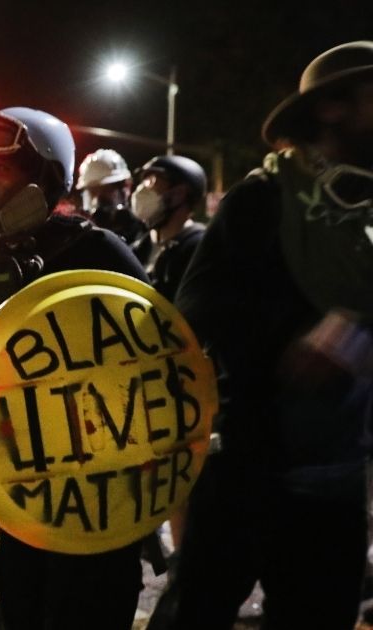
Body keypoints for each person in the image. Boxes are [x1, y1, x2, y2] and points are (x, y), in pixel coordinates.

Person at [151, 41, 373, 630]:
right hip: (248, 469)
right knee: (194, 612)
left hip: (339, 481)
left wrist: (356, 328)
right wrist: (297, 340)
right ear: (334, 108)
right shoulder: (260, 200)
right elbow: (196, 306)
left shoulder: (367, 216)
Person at [0, 107, 150, 629]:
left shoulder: (99, 253)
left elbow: (153, 372)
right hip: (22, 512)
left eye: (0, 171)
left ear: (45, 179)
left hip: (98, 513)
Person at [130, 155, 208, 302]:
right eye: (144, 180)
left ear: (179, 193)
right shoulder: (139, 246)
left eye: (152, 181)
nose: (142, 189)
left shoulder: (199, 249)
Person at [77, 149, 148, 251]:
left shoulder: (141, 232)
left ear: (126, 186)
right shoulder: (82, 232)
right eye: (92, 191)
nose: (97, 199)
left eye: (105, 189)